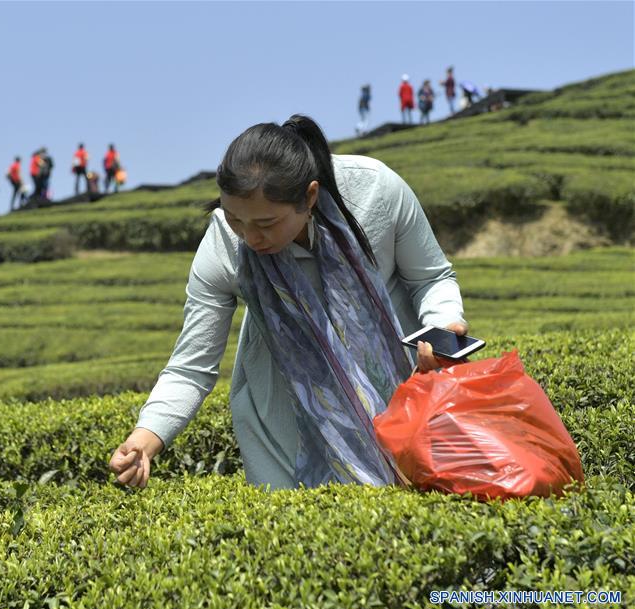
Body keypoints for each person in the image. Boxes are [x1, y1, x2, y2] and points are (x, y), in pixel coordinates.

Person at [108, 114, 468, 492]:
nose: (249, 237)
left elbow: (431, 277)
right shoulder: (223, 245)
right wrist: (145, 440)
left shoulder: (375, 191)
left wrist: (443, 325)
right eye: (235, 219)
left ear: (309, 196)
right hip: (283, 429)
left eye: (266, 223)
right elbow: (191, 367)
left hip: (406, 403)